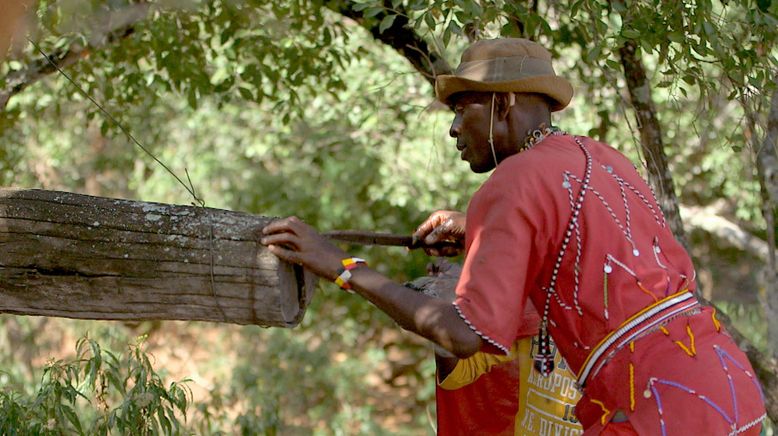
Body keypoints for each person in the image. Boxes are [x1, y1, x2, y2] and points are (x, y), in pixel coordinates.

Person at [261, 38, 766, 434]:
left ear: (503, 103)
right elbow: (584, 244)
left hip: (659, 404)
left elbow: (465, 335)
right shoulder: (604, 157)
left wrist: (343, 268)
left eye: (465, 109)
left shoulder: (512, 179)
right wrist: (479, 232)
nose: (455, 129)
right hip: (728, 385)